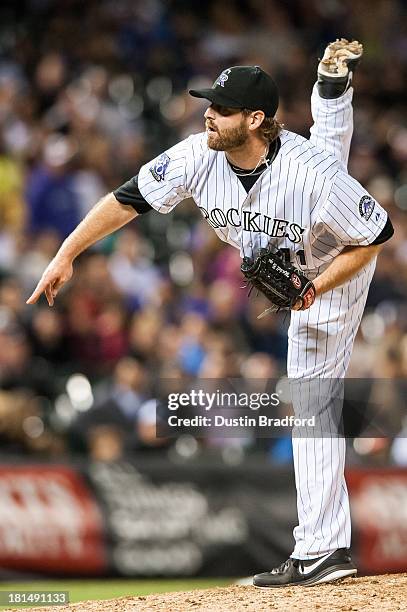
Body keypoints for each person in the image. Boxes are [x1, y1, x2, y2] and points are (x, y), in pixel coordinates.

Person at [27, 39, 394, 587]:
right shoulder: (197, 155)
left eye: (221, 109)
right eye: (209, 103)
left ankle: (322, 548)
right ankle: (333, 94)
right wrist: (67, 253)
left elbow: (375, 235)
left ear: (255, 119)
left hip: (331, 258)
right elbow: (126, 199)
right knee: (329, 171)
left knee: (311, 388)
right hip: (296, 232)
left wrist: (313, 287)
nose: (208, 114)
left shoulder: (309, 170)